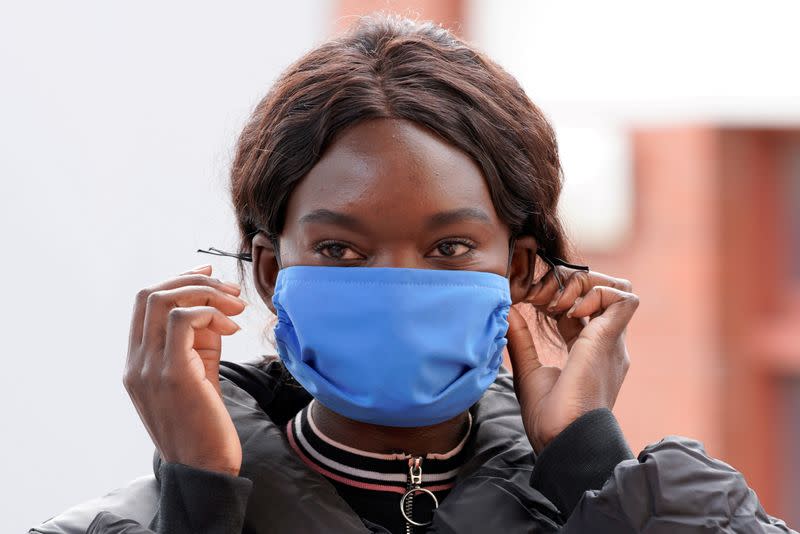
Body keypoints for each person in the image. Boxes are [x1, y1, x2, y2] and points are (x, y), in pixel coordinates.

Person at [69, 13, 793, 534]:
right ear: (268, 270)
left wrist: (591, 465)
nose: (396, 288)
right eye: (341, 251)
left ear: (515, 269)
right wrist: (200, 502)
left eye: (447, 248)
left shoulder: (625, 510)